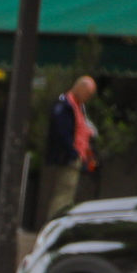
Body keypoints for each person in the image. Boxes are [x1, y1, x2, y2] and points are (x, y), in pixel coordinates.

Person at [44, 75, 98, 220]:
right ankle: (55, 222)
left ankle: (58, 220)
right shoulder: (65, 105)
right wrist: (72, 153)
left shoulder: (79, 107)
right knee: (64, 193)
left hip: (77, 155)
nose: (87, 97)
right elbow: (62, 132)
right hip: (69, 157)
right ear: (79, 88)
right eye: (87, 93)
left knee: (68, 193)